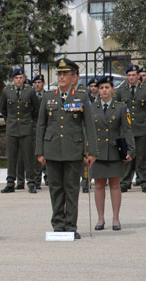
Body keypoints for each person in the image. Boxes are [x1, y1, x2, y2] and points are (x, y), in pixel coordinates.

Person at [35, 58, 97, 239]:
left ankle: (71, 225)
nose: (61, 77)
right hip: (52, 149)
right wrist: (40, 150)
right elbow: (41, 125)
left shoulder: (82, 96)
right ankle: (58, 225)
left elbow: (89, 125)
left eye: (65, 74)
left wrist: (91, 151)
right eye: (59, 74)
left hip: (73, 149)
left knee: (71, 189)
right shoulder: (48, 96)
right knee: (55, 188)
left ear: (74, 77)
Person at [91, 75, 134, 231]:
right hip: (97, 152)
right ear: (98, 91)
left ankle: (116, 219)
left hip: (115, 150)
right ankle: (100, 219)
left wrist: (130, 150)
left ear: (112, 89)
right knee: (99, 186)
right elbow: (87, 131)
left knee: (115, 185)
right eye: (101, 88)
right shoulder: (91, 107)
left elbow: (127, 130)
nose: (104, 91)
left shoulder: (121, 107)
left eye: (107, 87)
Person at [0, 69, 39, 194]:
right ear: (12, 79)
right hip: (11, 128)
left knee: (28, 157)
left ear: (23, 78)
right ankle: (10, 182)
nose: (19, 80)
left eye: (21, 77)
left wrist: (29, 122)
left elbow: (36, 109)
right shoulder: (7, 91)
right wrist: (10, 120)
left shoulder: (30, 91)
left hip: (26, 127)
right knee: (12, 157)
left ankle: (31, 183)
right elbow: (3, 109)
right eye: (16, 78)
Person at [115, 65, 146, 193]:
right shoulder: (121, 90)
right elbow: (116, 109)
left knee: (141, 157)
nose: (131, 77)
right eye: (129, 75)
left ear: (138, 76)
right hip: (127, 129)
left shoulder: (144, 89)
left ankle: (143, 180)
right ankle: (125, 182)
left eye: (134, 75)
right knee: (127, 156)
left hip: (142, 127)